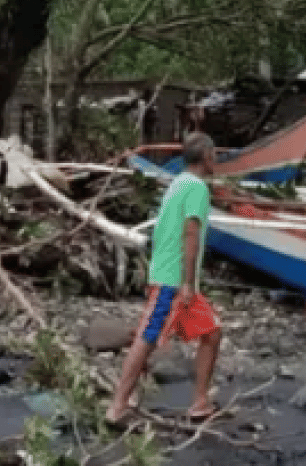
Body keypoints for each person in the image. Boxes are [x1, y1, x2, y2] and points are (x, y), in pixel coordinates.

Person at [106, 131, 223, 427]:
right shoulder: (195, 187)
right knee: (147, 338)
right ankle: (118, 406)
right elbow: (191, 233)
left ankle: (199, 402)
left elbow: (163, 231)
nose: (216, 159)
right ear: (207, 157)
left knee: (211, 332)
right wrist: (185, 282)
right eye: (215, 154)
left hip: (175, 278)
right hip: (175, 280)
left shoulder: (176, 184)